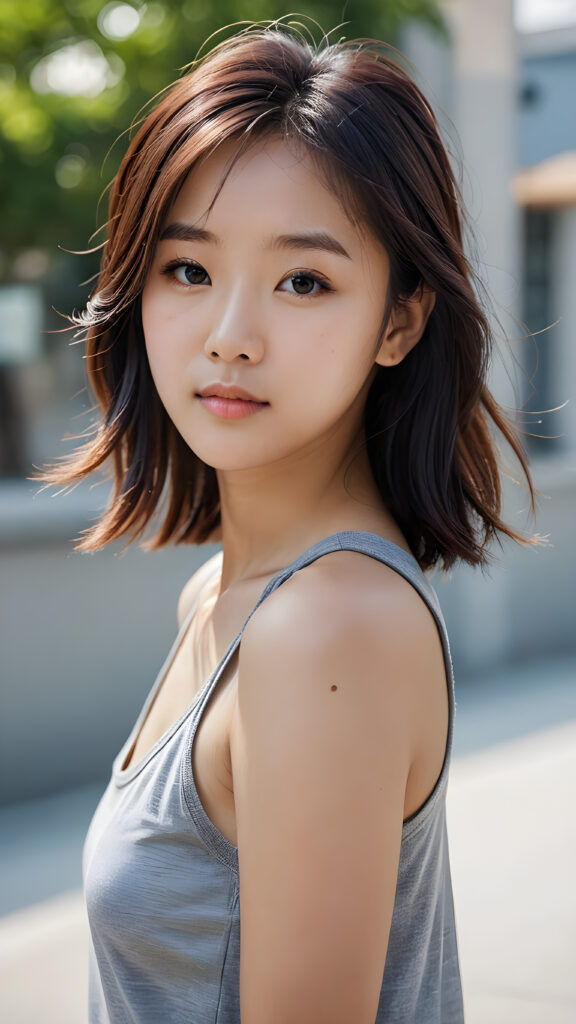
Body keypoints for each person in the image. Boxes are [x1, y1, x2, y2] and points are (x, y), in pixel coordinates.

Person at [40, 20, 536, 1024]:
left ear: (399, 320)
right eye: (188, 270)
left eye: (303, 281)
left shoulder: (325, 629)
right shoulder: (229, 596)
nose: (230, 337)